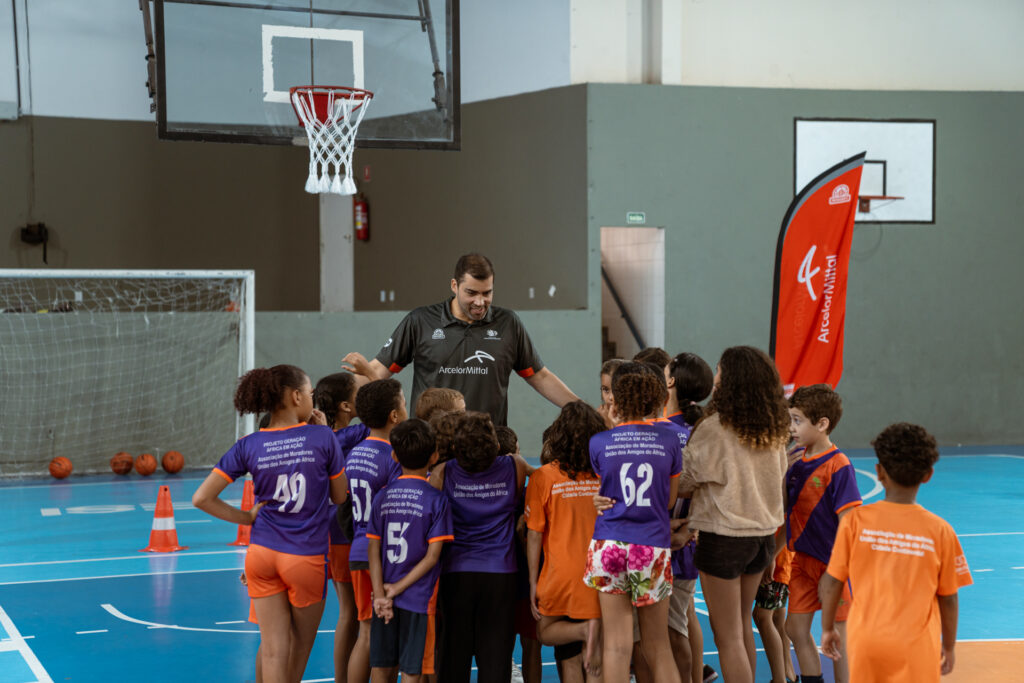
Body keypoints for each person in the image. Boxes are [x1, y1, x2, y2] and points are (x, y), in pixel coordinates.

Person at [192, 365, 347, 683]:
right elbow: (340, 496)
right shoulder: (322, 437)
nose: (313, 400)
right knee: (299, 647)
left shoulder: (248, 444)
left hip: (261, 554)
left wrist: (247, 517)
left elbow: (201, 498)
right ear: (296, 396)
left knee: (274, 650)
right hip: (305, 556)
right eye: (310, 393)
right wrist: (326, 437)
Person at [342, 253, 578, 425]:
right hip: (433, 449)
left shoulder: (508, 323)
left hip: (487, 448)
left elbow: (540, 376)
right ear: (454, 286)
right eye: (471, 293)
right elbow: (377, 370)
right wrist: (335, 403)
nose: (480, 302)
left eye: (487, 293)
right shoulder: (420, 321)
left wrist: (583, 411)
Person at [820, 423, 973, 682]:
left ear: (879, 472)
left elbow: (833, 581)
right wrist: (948, 646)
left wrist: (827, 628)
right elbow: (949, 598)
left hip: (866, 641)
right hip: (917, 647)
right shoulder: (940, 531)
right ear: (928, 475)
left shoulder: (855, 522)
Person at [677, 346, 789, 683]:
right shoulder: (774, 429)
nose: (716, 377)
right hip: (762, 539)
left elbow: (684, 483)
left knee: (727, 638)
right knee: (740, 628)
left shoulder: (714, 428)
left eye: (719, 370)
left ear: (731, 379)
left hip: (724, 539)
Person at [586, 361, 682, 683]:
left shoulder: (599, 442)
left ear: (616, 399)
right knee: (659, 646)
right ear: (656, 399)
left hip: (609, 544)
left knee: (616, 646)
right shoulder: (669, 441)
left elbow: (605, 492)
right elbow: (668, 501)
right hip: (651, 545)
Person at [429, 411, 531, 683]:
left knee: (454, 657)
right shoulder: (515, 466)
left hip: (456, 574)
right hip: (501, 575)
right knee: (496, 659)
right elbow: (547, 478)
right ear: (496, 445)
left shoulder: (442, 473)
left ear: (456, 447)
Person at [784, 384, 862, 683]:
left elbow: (849, 522)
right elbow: (785, 509)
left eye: (797, 421)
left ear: (822, 424)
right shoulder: (794, 463)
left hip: (831, 566)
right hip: (801, 561)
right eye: (790, 420)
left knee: (838, 637)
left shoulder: (839, 466)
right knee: (795, 629)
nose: (791, 428)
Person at [366, 418, 453, 683]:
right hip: (418, 598)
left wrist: (381, 594)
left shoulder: (382, 496)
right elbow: (432, 557)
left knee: (382, 667)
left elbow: (373, 550)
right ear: (434, 457)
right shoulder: (437, 500)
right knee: (412, 671)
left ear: (394, 456)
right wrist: (397, 589)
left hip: (384, 595)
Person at [525, 401, 608, 682]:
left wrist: (533, 581)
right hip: (601, 573)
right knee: (595, 659)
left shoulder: (544, 477)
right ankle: (588, 630)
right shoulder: (605, 474)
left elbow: (534, 535)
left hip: (561, 575)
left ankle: (582, 630)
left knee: (553, 640)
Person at [345, 379, 407, 683]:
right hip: (383, 555)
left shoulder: (355, 452)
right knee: (382, 637)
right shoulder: (393, 456)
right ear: (394, 415)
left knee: (367, 632)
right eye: (404, 404)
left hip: (358, 548)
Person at [662, 352, 717, 683]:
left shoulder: (662, 431)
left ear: (670, 381)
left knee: (671, 630)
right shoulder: (703, 428)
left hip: (666, 542)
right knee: (675, 625)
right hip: (688, 540)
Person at [314, 372, 369, 683]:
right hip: (347, 530)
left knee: (349, 612)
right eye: (359, 392)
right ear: (346, 406)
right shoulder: (355, 434)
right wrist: (371, 372)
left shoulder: (319, 437)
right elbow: (387, 410)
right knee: (355, 614)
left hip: (329, 530)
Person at [499, 425, 544, 683]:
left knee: (499, 647)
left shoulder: (485, 495)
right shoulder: (531, 494)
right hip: (526, 579)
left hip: (500, 577)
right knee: (532, 646)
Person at [597, 358, 626, 429]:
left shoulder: (636, 419)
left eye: (617, 390)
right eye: (606, 390)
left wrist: (609, 425)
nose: (611, 397)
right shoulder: (599, 417)